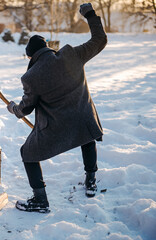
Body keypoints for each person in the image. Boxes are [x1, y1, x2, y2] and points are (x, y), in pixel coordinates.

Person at [7, 3, 107, 213]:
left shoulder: (31, 77)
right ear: (47, 47)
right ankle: (91, 182)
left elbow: (25, 109)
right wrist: (89, 14)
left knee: (27, 153)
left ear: (30, 56)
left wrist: (13, 108)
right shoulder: (71, 54)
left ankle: (40, 200)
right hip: (83, 120)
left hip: (56, 130)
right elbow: (100, 40)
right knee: (86, 139)